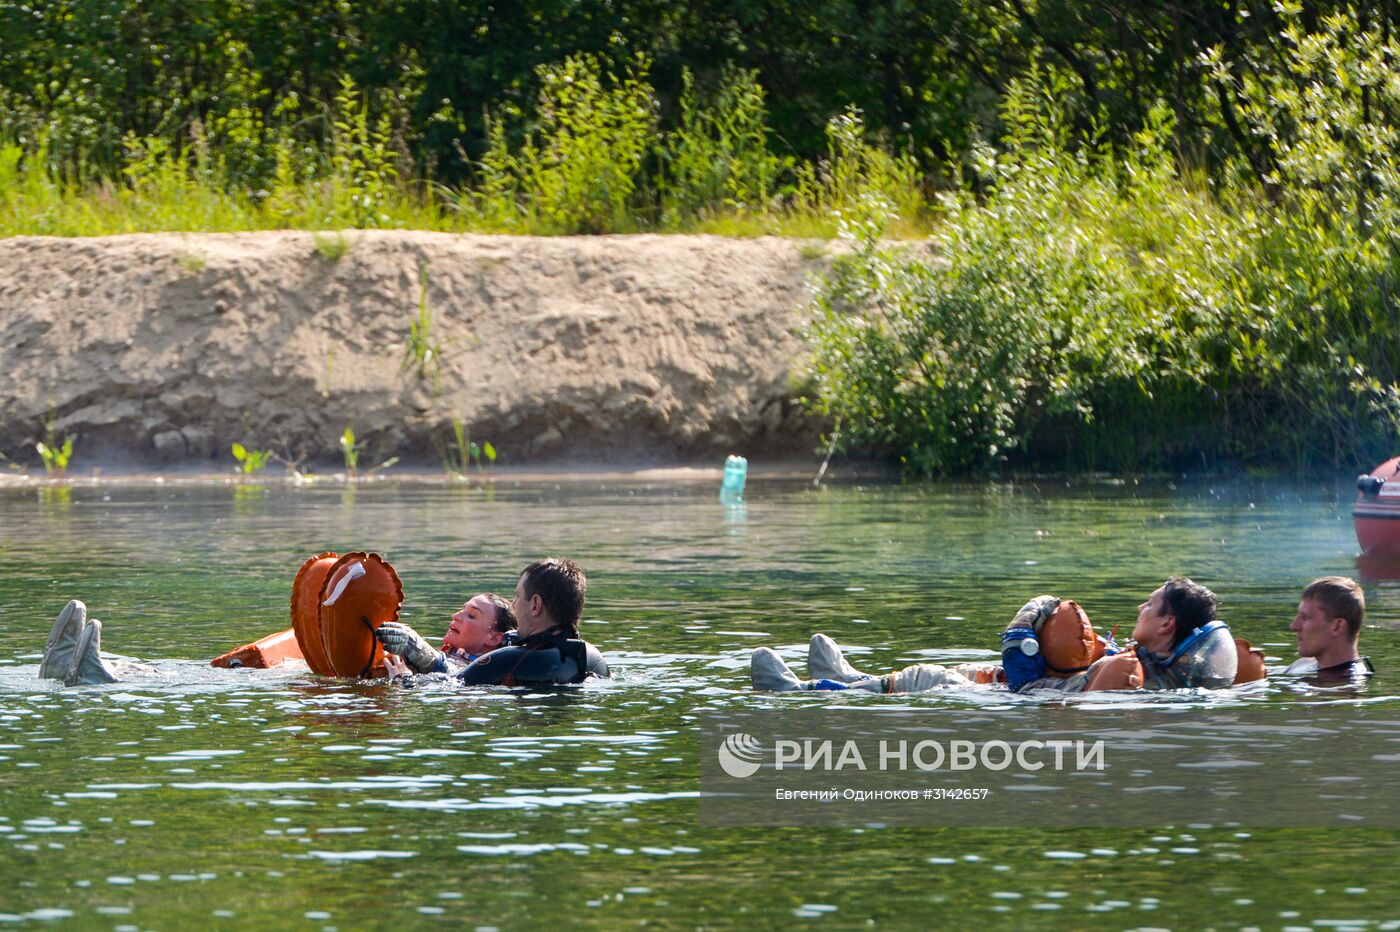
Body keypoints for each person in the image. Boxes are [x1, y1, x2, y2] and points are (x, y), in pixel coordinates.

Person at [752, 577, 1237, 694]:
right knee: (966, 669)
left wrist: (1025, 630)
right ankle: (856, 681)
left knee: (930, 676)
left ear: (1168, 624)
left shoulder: (1129, 674)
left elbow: (1043, 698)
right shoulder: (1162, 670)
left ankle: (808, 692)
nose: (1140, 607)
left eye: (1150, 605)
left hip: (1020, 699)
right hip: (1012, 690)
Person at [449, 558, 610, 686]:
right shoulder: (593, 658)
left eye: (518, 596)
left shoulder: (509, 659)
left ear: (535, 605)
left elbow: (450, 684)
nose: (513, 604)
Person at [376, 593, 517, 675]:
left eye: (472, 615)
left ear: (493, 638)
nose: (456, 616)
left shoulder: (488, 674)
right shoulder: (448, 653)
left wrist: (404, 679)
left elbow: (458, 677)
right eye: (462, 610)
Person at [1281, 575, 1375, 685]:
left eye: (1306, 617)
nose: (1294, 626)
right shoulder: (1301, 665)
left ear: (1337, 626)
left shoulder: (1348, 686)